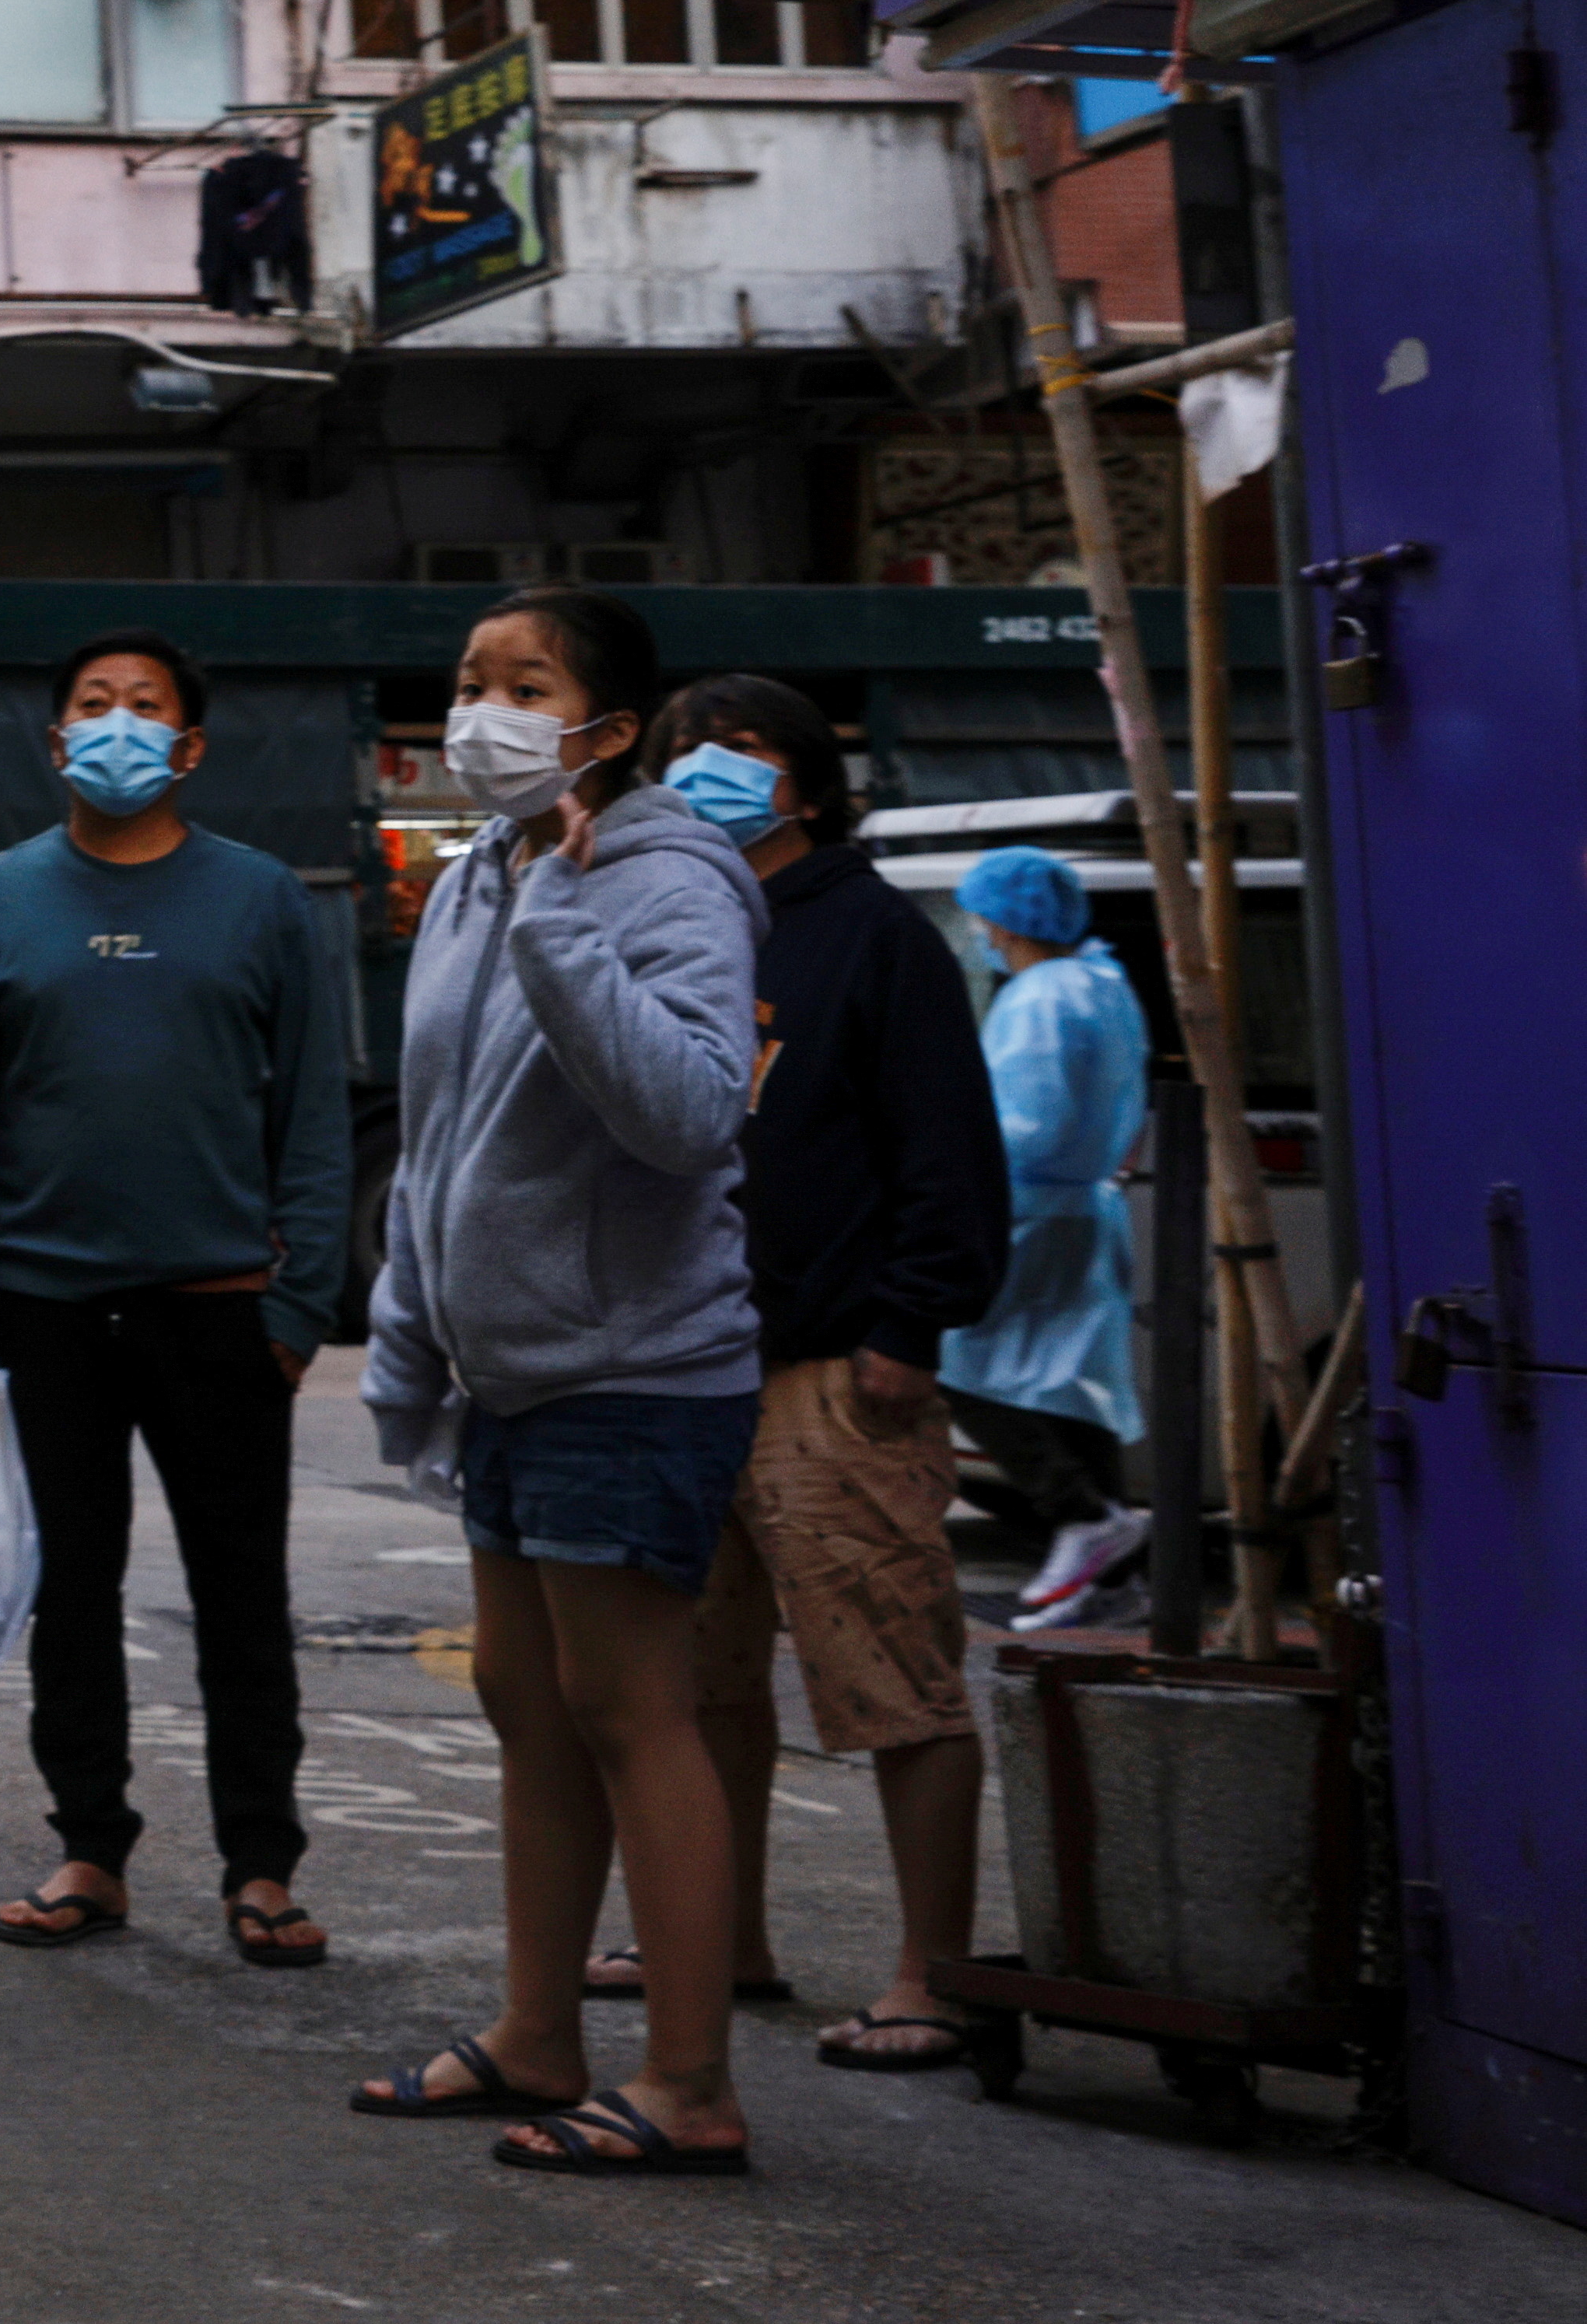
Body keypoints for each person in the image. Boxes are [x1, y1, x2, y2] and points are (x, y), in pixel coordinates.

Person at [348, 585, 772, 2180]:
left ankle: (686, 2080)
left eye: (521, 681)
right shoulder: (481, 869)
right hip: (504, 1367)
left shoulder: (659, 876)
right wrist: (407, 1329)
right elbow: (438, 1128)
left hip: (631, 1362)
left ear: (606, 723)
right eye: (466, 676)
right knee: (522, 1703)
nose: (481, 707)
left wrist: (557, 926)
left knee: (625, 1706)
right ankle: (536, 2030)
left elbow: (681, 1108)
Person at [0, 628, 352, 1972]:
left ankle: (261, 1867)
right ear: (56, 745)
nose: (118, 726)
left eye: (143, 707)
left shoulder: (265, 900)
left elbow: (316, 1123)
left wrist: (297, 1315)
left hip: (222, 1311)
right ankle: (89, 1849)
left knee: (240, 1595)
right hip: (48, 1310)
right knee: (74, 1593)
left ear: (190, 746)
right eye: (92, 707)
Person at [616, 674, 1010, 2071]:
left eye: (742, 753)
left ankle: (932, 1973)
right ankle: (721, 1937)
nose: (706, 776)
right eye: (680, 756)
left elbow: (947, 1152)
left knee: (891, 1677)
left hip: (833, 1370)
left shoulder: (872, 935)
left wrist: (909, 1329)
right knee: (698, 1684)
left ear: (810, 785)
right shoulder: (661, 924)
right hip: (681, 1365)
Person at [940, 845, 1151, 1627]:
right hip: (1081, 1209)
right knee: (1068, 1385)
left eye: (980, 913)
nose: (977, 929)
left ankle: (1082, 1517)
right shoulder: (1102, 981)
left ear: (1004, 917)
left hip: (1024, 1206)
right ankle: (1109, 1569)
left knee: (961, 1363)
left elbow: (1020, 1123)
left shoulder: (1035, 997)